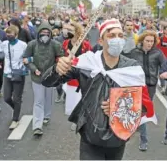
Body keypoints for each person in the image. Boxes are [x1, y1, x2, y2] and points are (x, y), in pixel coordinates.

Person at [41, 18, 154, 160]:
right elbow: (46, 82)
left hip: (118, 138)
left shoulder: (132, 68)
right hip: (90, 137)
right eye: (111, 35)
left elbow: (143, 105)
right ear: (101, 41)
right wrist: (57, 69)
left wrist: (119, 109)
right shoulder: (86, 63)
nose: (117, 39)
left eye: (120, 35)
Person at [23, 22, 62, 136]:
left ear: (50, 34)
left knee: (48, 98)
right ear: (38, 33)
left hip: (50, 76)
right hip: (37, 77)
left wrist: (55, 69)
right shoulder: (32, 44)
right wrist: (34, 69)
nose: (45, 35)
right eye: (42, 32)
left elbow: (59, 58)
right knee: (39, 100)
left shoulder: (55, 44)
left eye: (47, 33)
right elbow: (25, 59)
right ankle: (37, 126)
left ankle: (47, 115)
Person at [0, 25, 28, 129]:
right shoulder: (4, 44)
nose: (8, 35)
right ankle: (16, 109)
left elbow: (28, 56)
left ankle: (15, 119)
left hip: (19, 73)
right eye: (7, 34)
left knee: (17, 98)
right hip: (7, 73)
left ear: (16, 34)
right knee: (7, 98)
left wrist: (27, 64)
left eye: (11, 34)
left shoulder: (23, 45)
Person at [130, 30, 164, 151]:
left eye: (152, 41)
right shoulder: (134, 53)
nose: (150, 43)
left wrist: (165, 75)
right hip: (137, 85)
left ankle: (143, 139)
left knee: (143, 110)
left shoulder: (157, 53)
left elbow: (164, 66)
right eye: (147, 41)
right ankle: (140, 134)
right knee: (137, 110)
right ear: (142, 40)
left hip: (150, 86)